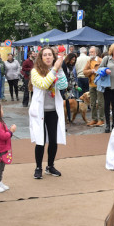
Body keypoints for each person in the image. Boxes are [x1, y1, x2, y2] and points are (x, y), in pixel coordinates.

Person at [29, 47, 68, 179]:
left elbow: (63, 86)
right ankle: (38, 167)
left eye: (50, 55)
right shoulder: (35, 72)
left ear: (53, 57)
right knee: (40, 140)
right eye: (45, 55)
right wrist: (55, 69)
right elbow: (44, 84)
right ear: (41, 57)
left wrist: (60, 69)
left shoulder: (57, 70)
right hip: (40, 112)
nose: (47, 57)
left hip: (53, 111)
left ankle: (50, 166)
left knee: (53, 140)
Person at [83, 46, 105, 127]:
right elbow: (84, 72)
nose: (90, 53)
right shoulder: (89, 61)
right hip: (91, 84)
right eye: (89, 52)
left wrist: (99, 72)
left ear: (96, 52)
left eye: (92, 52)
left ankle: (101, 119)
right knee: (92, 103)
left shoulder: (101, 61)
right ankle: (94, 119)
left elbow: (105, 71)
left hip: (99, 84)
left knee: (100, 103)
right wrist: (91, 71)